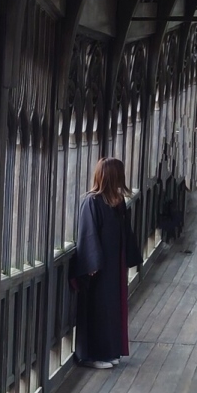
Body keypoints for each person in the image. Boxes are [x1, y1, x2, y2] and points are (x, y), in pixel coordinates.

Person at [72, 157, 142, 370]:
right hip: (99, 268)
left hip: (114, 265)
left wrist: (128, 257)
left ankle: (111, 351)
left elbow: (125, 232)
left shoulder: (117, 202)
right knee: (98, 309)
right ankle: (92, 356)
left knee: (113, 308)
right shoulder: (92, 202)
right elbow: (88, 233)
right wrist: (92, 262)